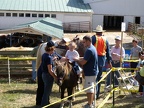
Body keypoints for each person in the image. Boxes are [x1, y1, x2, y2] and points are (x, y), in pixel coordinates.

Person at [74, 36, 99, 108]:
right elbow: (86, 58)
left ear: (88, 41)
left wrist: (77, 60)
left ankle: (89, 104)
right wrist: (79, 58)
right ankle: (91, 103)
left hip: (90, 72)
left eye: (84, 42)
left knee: (89, 89)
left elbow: (83, 62)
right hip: (93, 71)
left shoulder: (89, 50)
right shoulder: (92, 48)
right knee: (91, 88)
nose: (83, 43)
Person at [35, 42, 62, 106]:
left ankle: (44, 103)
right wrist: (55, 77)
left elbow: (41, 62)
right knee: (46, 91)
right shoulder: (49, 57)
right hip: (47, 75)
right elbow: (50, 70)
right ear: (52, 48)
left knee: (45, 90)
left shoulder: (44, 55)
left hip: (43, 73)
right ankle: (44, 104)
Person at [91, 25, 112, 99]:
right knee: (99, 77)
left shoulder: (93, 38)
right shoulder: (105, 39)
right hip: (102, 60)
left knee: (93, 77)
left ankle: (94, 93)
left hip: (93, 59)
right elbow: (108, 52)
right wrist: (109, 62)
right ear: (102, 32)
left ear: (96, 32)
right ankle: (97, 93)